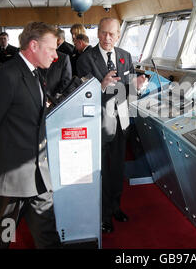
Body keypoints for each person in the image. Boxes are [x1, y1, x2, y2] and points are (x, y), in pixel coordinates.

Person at [0, 22, 61, 248]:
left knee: (48, 234)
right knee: (3, 237)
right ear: (33, 45)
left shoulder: (35, 74)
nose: (55, 55)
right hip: (11, 181)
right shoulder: (7, 76)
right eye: (51, 49)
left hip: (38, 176)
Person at [76, 17, 147, 233]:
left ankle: (115, 207)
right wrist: (101, 85)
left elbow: (129, 92)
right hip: (97, 122)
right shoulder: (85, 59)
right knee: (101, 171)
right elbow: (82, 96)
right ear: (98, 33)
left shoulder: (125, 57)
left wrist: (138, 87)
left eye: (112, 34)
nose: (108, 38)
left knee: (117, 168)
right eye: (104, 33)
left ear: (118, 35)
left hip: (121, 120)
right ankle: (102, 214)